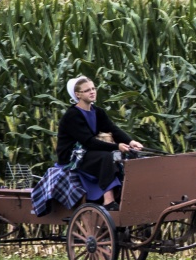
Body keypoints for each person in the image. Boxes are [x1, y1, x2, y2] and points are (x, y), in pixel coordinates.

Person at [56, 76, 143, 211]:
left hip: (87, 151)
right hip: (72, 154)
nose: (92, 92)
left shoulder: (97, 112)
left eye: (93, 88)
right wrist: (116, 146)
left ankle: (126, 197)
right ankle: (108, 201)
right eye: (87, 90)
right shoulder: (72, 115)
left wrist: (131, 142)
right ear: (78, 94)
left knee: (127, 156)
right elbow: (89, 142)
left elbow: (113, 129)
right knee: (106, 157)